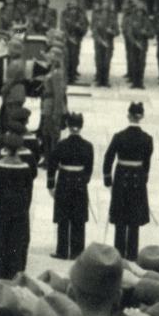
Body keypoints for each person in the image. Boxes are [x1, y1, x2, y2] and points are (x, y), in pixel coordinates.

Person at [104, 102, 153, 260]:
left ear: (128, 115)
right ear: (142, 117)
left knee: (120, 218)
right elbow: (146, 163)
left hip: (121, 179)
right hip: (137, 180)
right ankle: (132, 254)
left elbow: (108, 159)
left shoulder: (119, 136)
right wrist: (143, 179)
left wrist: (108, 181)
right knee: (134, 220)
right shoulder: (147, 139)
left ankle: (118, 253)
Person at [0, 132, 36, 280]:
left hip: (2, 206)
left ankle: (0, 273)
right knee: (16, 241)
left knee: (2, 241)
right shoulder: (25, 167)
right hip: (19, 207)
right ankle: (14, 273)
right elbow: (28, 186)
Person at [46, 111, 94, 260]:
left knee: (63, 217)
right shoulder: (88, 146)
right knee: (78, 218)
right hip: (79, 182)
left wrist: (51, 185)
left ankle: (62, 251)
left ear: (67, 126)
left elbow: (52, 165)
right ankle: (77, 251)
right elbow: (89, 169)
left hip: (64, 181)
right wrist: (83, 181)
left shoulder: (61, 145)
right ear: (81, 126)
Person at [91, 0, 118, 88]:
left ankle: (105, 80)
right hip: (99, 42)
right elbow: (94, 30)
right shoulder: (96, 16)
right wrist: (101, 40)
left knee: (106, 62)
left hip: (109, 43)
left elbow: (117, 31)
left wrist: (112, 32)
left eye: (107, 10)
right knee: (99, 61)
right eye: (103, 9)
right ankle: (99, 80)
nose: (105, 12)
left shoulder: (112, 17)